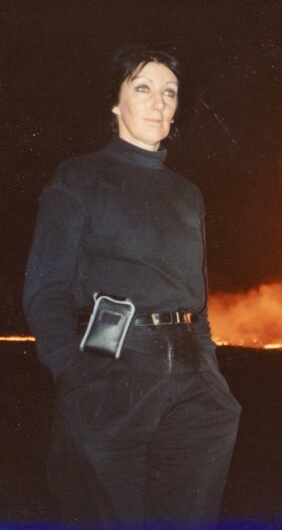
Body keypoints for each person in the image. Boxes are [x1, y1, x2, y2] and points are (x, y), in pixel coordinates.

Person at [23, 45, 241, 529]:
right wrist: (76, 375)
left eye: (170, 92)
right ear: (115, 103)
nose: (158, 102)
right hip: (112, 365)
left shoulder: (188, 195)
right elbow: (45, 290)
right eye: (142, 88)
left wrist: (210, 377)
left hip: (192, 375)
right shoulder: (79, 178)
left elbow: (197, 301)